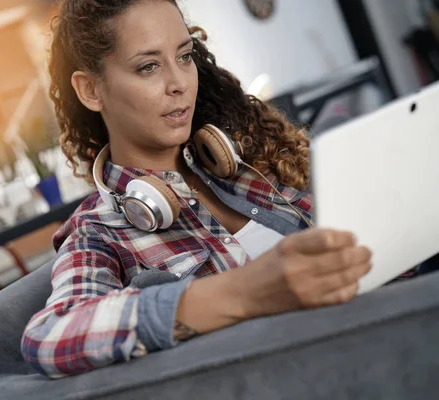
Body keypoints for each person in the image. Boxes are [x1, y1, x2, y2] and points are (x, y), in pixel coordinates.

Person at [21, 0, 373, 379]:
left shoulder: (246, 161)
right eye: (148, 66)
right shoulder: (99, 231)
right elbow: (50, 336)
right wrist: (243, 292)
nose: (180, 84)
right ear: (90, 90)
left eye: (185, 56)